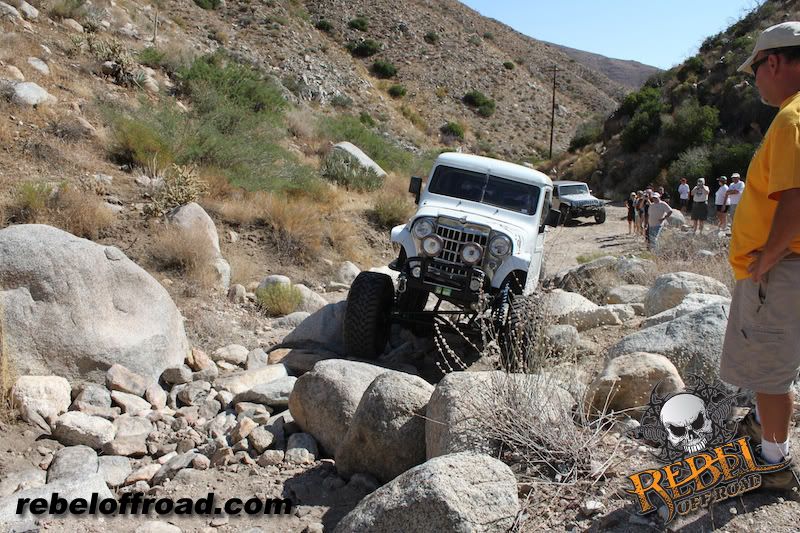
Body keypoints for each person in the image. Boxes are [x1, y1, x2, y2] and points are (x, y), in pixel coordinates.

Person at [720, 21, 800, 491]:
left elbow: (794, 201)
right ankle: (761, 432)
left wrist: (767, 259)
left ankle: (773, 464)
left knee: (772, 372)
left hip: (783, 267)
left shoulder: (792, 118)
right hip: (788, 264)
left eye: (755, 70)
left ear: (773, 62)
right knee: (775, 362)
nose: (755, 81)